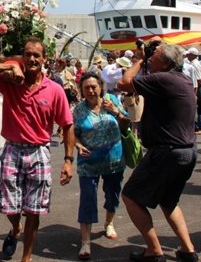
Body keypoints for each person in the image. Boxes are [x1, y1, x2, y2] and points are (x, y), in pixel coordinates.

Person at [0, 38, 74, 262]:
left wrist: (68, 160)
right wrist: (8, 66)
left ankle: (26, 257)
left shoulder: (55, 90)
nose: (31, 59)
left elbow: (67, 125)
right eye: (27, 55)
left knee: (34, 210)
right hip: (12, 149)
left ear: (44, 60)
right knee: (10, 208)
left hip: (39, 151)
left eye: (36, 56)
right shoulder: (10, 82)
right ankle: (15, 228)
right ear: (22, 57)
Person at [117, 43, 199, 262]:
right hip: (187, 151)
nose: (151, 58)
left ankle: (154, 250)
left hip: (166, 152)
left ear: (167, 63)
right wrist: (146, 61)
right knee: (168, 200)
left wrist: (139, 60)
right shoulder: (182, 79)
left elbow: (124, 83)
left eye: (155, 56)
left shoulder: (162, 79)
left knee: (131, 196)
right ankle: (188, 250)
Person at [73, 72, 128, 260]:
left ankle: (109, 223)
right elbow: (73, 133)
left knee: (112, 193)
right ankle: (86, 242)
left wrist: (116, 111)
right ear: (81, 90)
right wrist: (78, 145)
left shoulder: (111, 100)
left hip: (114, 159)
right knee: (87, 198)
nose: (90, 90)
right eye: (86, 87)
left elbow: (126, 124)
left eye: (94, 86)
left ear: (101, 87)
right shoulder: (78, 110)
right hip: (89, 162)